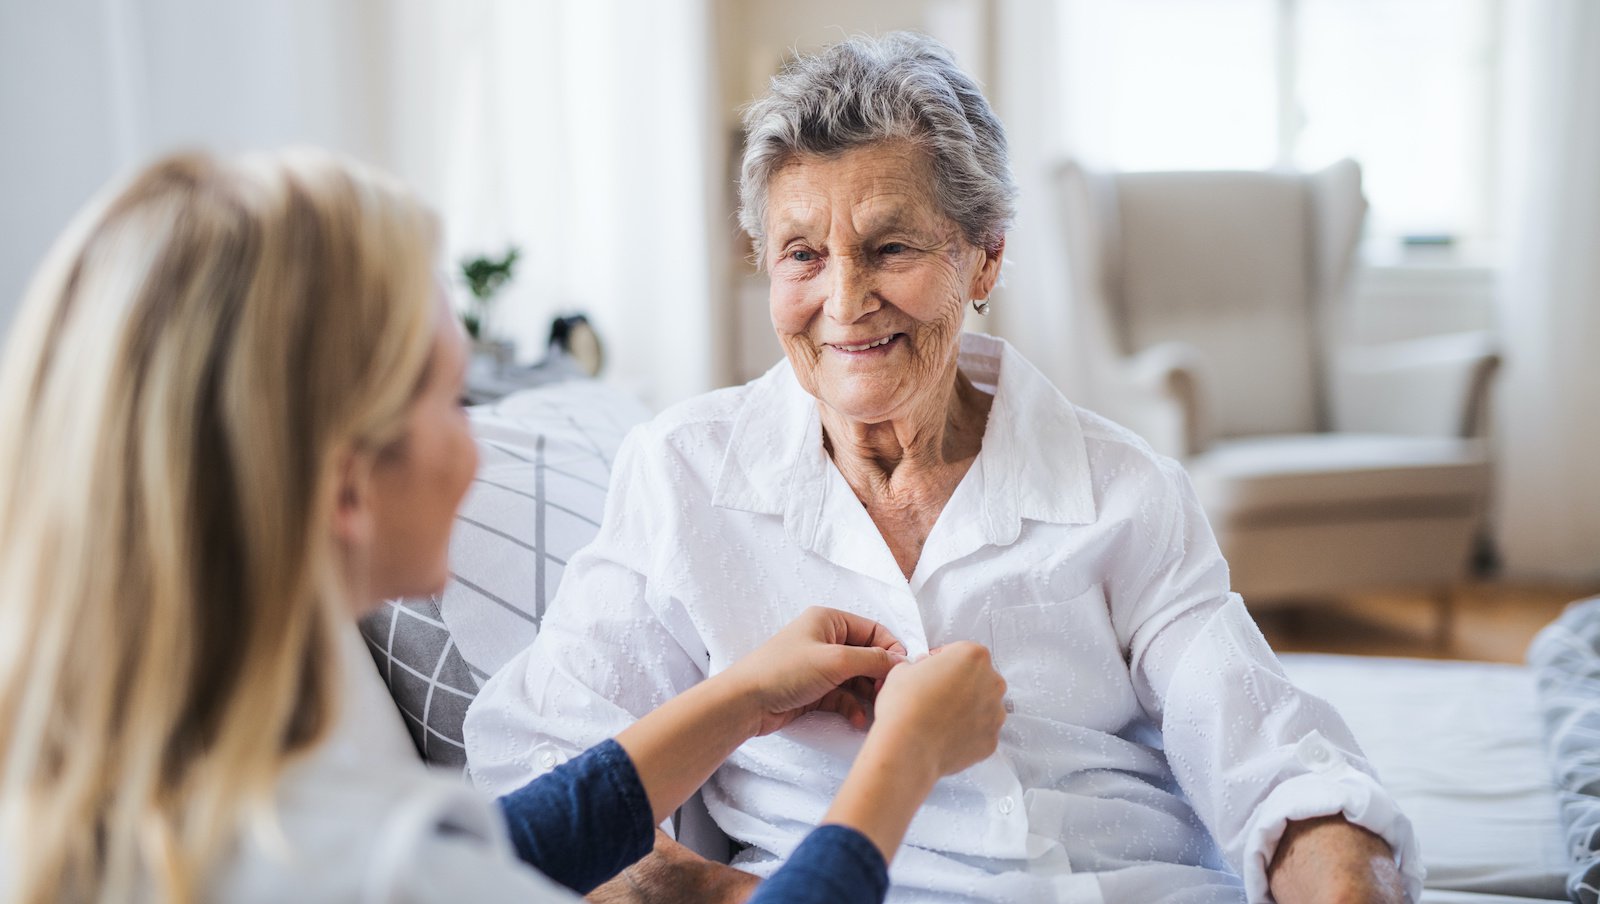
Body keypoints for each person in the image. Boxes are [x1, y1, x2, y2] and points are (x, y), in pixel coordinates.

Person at [465, 32, 1423, 904]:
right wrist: (719, 894)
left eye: (890, 248)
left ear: (986, 257)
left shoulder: (1124, 490)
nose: (844, 303)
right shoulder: (683, 475)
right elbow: (540, 761)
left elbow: (1279, 770)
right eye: (803, 255)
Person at [0, 149, 1009, 904]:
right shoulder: (364, 866)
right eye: (452, 403)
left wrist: (737, 696)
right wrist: (905, 758)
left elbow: (495, 849)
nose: (480, 451)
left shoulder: (165, 804)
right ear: (348, 487)